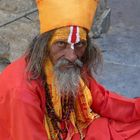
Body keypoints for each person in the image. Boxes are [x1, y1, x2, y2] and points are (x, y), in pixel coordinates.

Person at [0, 0, 140, 140]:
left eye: (79, 44)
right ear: (44, 44)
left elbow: (102, 100)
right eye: (61, 43)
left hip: (78, 130)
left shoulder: (70, 64)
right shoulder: (21, 91)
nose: (72, 56)